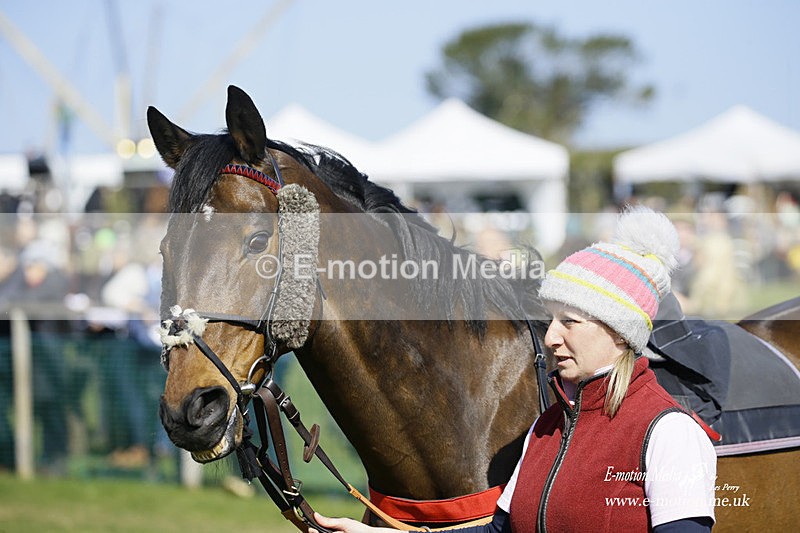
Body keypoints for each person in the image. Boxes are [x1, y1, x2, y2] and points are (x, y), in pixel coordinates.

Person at [310, 206, 717, 533]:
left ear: (620, 333)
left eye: (570, 322)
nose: (551, 337)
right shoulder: (545, 428)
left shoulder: (670, 432)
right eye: (551, 320)